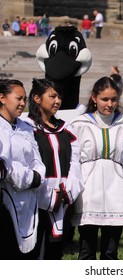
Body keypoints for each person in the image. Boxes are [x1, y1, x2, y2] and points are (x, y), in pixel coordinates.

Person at [70, 76, 123, 260]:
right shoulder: (79, 125)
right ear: (94, 98)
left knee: (110, 252)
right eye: (105, 99)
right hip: (88, 191)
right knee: (86, 251)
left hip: (116, 191)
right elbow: (72, 160)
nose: (110, 104)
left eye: (114, 99)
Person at [24, 78, 83, 259]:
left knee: (54, 253)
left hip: (63, 200)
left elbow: (75, 162)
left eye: (59, 97)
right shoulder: (26, 128)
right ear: (37, 98)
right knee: (32, 251)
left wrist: (68, 190)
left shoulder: (66, 129)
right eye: (52, 96)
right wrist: (47, 195)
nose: (57, 101)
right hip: (35, 200)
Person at [0, 79, 46, 259]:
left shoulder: (26, 127)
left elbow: (38, 163)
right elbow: (5, 167)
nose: (22, 103)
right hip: (5, 201)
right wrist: (27, 177)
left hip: (28, 200)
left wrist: (35, 178)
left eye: (24, 99)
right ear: (2, 98)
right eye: (18, 98)